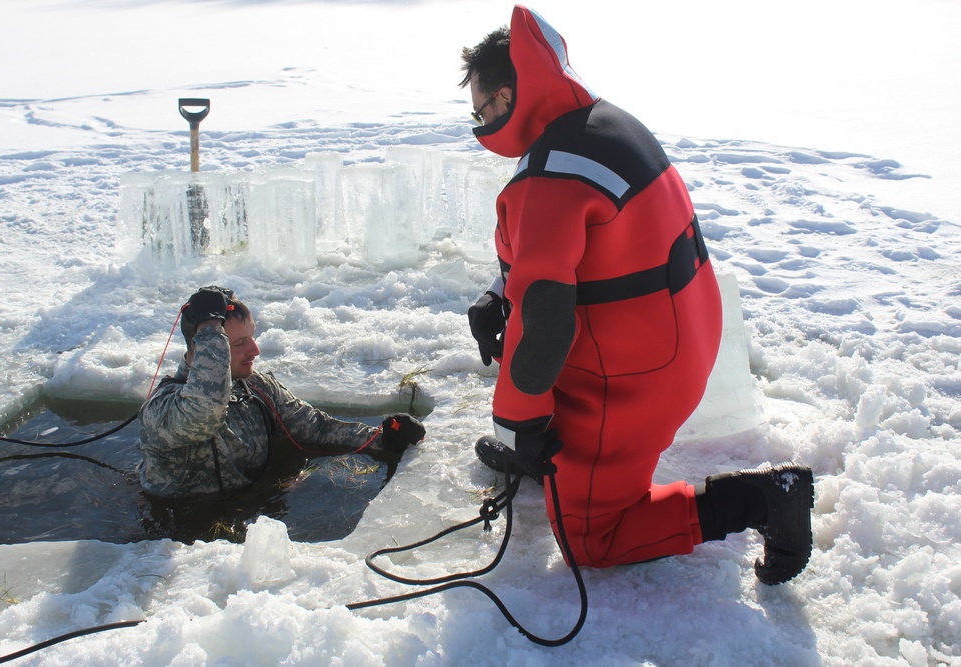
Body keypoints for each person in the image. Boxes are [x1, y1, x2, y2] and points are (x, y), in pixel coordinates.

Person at [460, 6, 813, 585]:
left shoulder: (550, 175)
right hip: (680, 338)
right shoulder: (597, 123)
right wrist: (499, 293)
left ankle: (765, 500)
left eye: (481, 110)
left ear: (507, 95)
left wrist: (517, 422)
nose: (478, 123)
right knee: (523, 363)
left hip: (630, 377)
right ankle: (558, 463)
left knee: (592, 539)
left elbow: (546, 318)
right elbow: (591, 249)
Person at [138, 286, 425, 499]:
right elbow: (204, 412)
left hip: (249, 515)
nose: (255, 351)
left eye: (252, 337)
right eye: (239, 344)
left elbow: (317, 429)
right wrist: (210, 327)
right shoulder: (163, 410)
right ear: (206, 350)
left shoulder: (258, 388)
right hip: (180, 538)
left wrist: (383, 438)